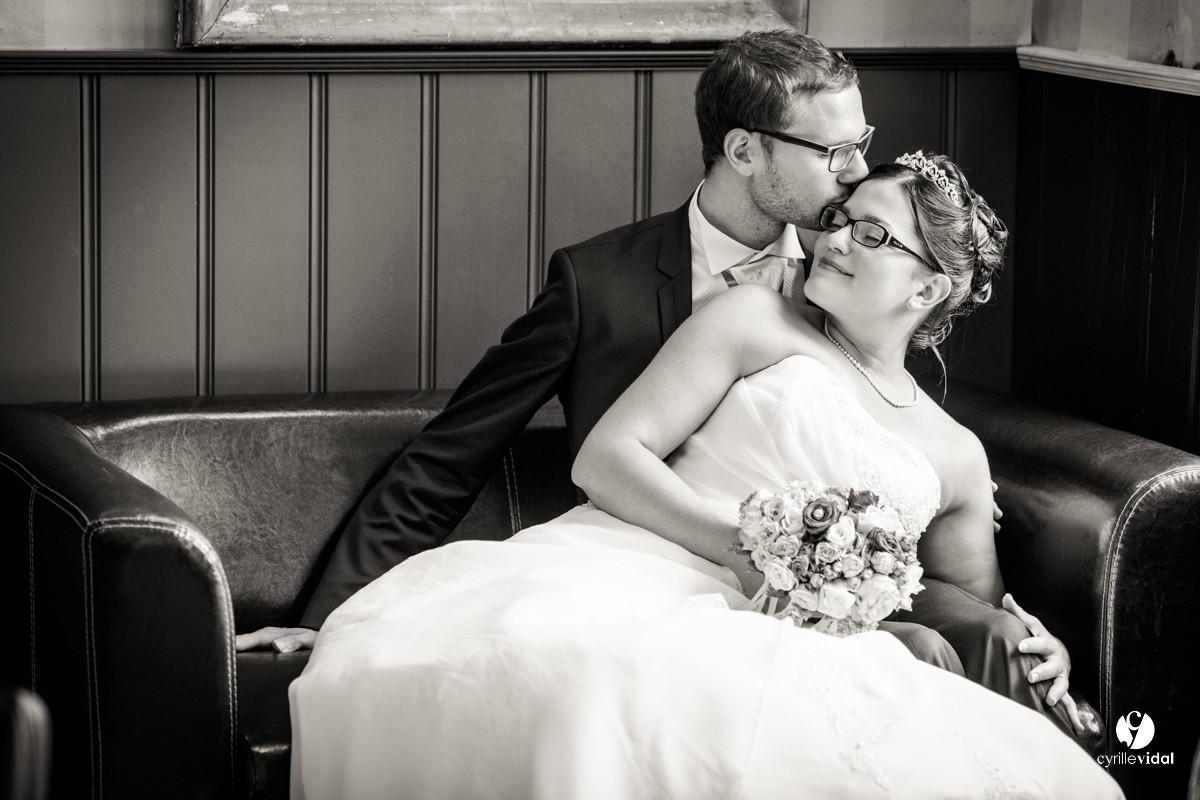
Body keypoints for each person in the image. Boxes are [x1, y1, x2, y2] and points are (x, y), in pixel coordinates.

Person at [241, 29, 1086, 738]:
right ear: (745, 150)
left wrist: (1000, 607)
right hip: (639, 577)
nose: (857, 169)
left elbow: (891, 446)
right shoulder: (599, 283)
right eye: (835, 151)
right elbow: (453, 452)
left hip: (810, 612)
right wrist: (327, 619)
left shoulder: (856, 286)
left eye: (861, 142)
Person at [287, 154, 1123, 799]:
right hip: (653, 566)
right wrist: (742, 548)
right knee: (603, 686)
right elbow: (606, 459)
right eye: (840, 218)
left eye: (872, 236)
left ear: (928, 287)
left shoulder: (956, 452)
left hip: (813, 628)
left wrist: (1040, 643)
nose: (833, 238)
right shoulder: (752, 318)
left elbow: (969, 604)